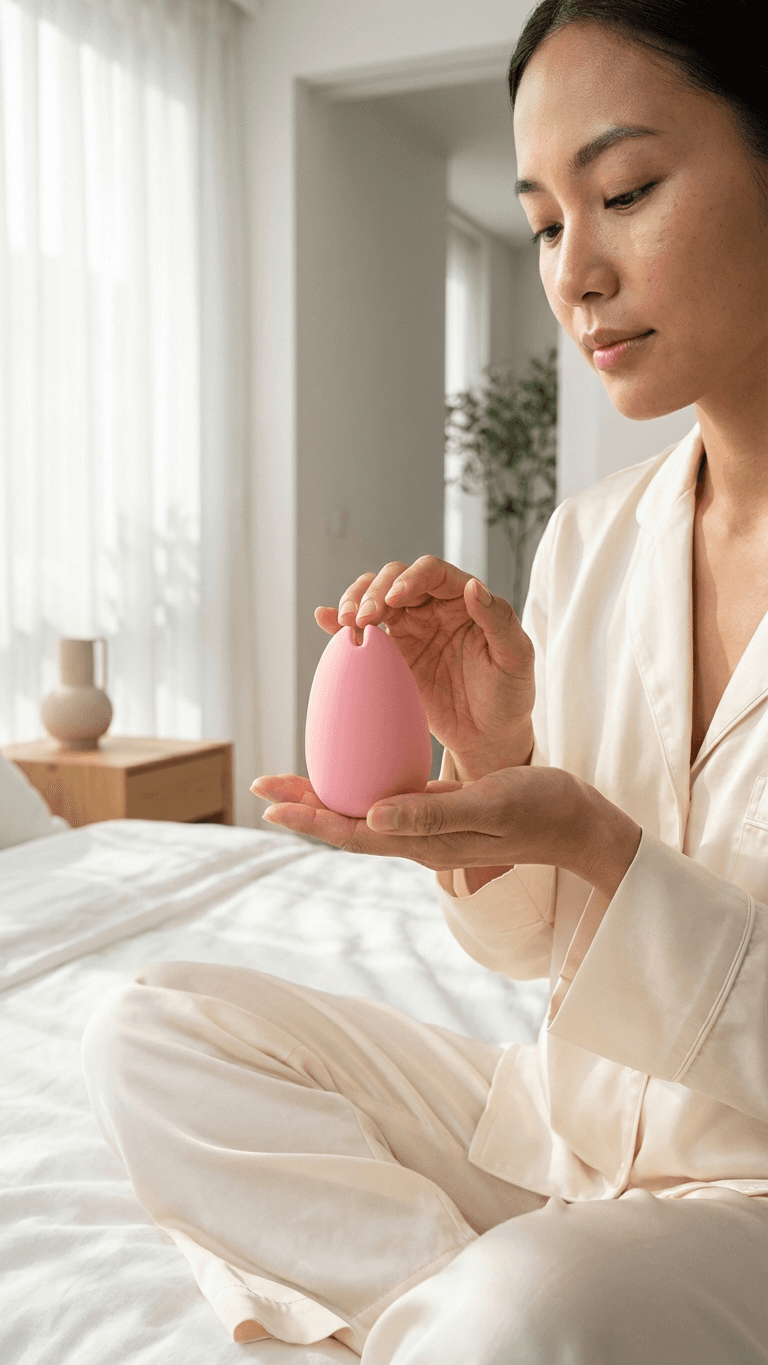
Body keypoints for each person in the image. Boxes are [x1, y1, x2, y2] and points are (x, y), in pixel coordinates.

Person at [80, 1, 768, 1360]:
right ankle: (465, 1321)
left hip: (746, 1191)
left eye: (626, 192)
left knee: (533, 1305)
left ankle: (491, 1318)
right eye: (546, 224)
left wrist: (602, 844)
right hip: (564, 1131)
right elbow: (535, 955)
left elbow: (620, 890)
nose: (576, 274)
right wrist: (491, 775)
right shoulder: (592, 538)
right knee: (153, 1029)